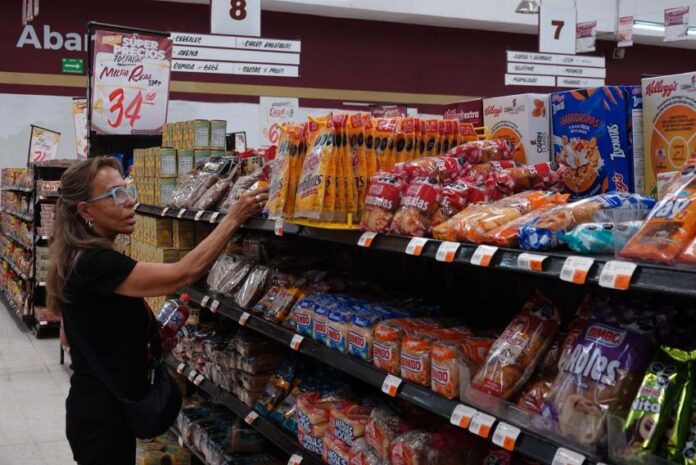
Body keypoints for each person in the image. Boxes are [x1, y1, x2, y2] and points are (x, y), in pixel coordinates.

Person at [47, 156, 268, 465]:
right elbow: (183, 274)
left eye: (126, 189)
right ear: (86, 211)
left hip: (97, 408)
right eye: (115, 195)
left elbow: (69, 336)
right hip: (103, 417)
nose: (129, 202)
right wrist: (234, 216)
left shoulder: (78, 258)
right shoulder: (96, 263)